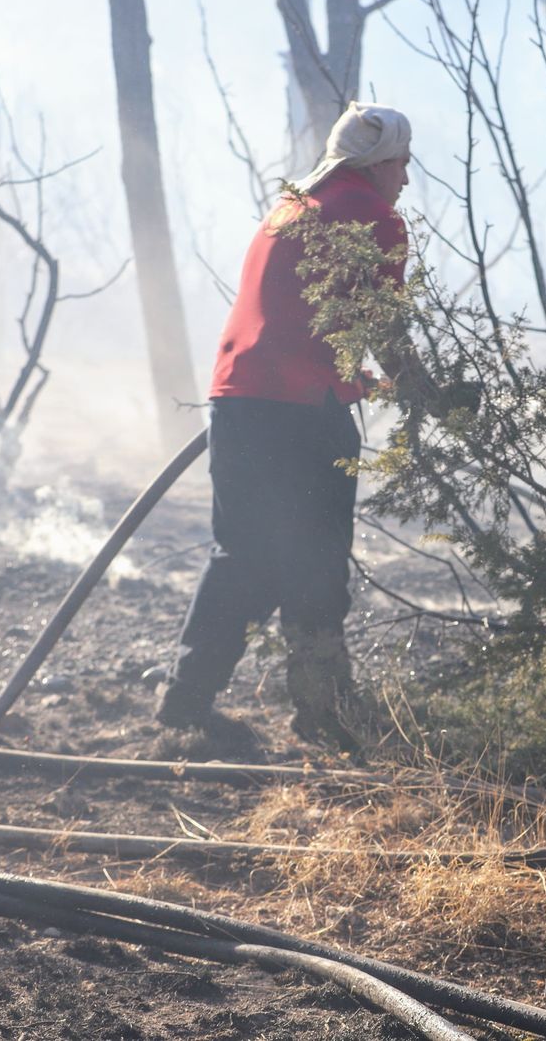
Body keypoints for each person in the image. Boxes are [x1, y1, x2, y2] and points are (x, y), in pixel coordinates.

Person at [154, 102, 430, 752]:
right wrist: (423, 389)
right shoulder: (375, 219)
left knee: (240, 555)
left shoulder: (288, 211)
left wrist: (366, 384)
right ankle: (323, 708)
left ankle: (185, 703)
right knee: (315, 558)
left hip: (240, 403)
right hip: (305, 419)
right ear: (380, 162)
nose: (407, 182)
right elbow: (382, 325)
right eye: (404, 165)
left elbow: (295, 328)